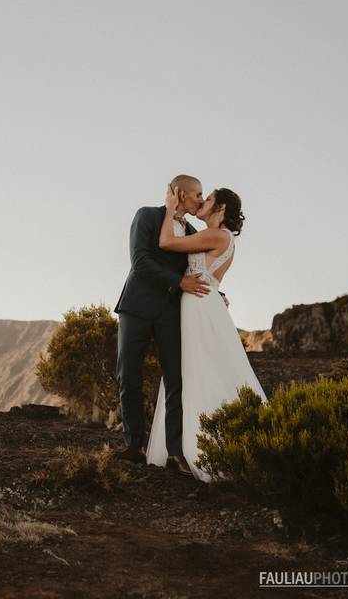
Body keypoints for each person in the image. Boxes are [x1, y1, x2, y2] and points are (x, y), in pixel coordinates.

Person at [144, 184, 269, 481]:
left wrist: (170, 207)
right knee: (199, 370)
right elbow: (207, 276)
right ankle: (196, 444)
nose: (203, 201)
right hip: (202, 303)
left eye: (209, 198)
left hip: (199, 307)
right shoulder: (220, 238)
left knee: (195, 371)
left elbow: (165, 242)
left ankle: (200, 448)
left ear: (221, 208)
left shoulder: (216, 235)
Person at [113, 174, 214, 476]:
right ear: (181, 194)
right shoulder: (146, 215)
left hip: (171, 313)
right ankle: (133, 446)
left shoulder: (193, 232)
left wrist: (216, 295)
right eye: (197, 194)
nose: (201, 199)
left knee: (175, 382)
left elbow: (198, 270)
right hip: (137, 307)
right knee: (128, 375)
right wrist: (178, 282)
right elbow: (140, 261)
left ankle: (175, 453)